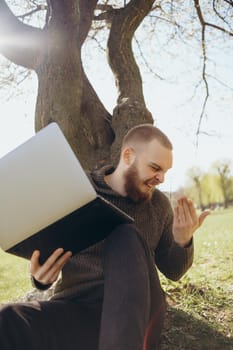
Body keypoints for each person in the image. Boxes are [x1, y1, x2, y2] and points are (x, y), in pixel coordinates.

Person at [0, 124, 209, 350]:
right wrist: (41, 278)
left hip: (138, 312)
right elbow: (48, 248)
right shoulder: (77, 190)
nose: (160, 179)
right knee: (9, 318)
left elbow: (174, 270)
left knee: (125, 233)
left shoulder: (159, 206)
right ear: (128, 156)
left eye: (165, 172)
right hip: (79, 309)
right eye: (155, 168)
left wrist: (182, 240)